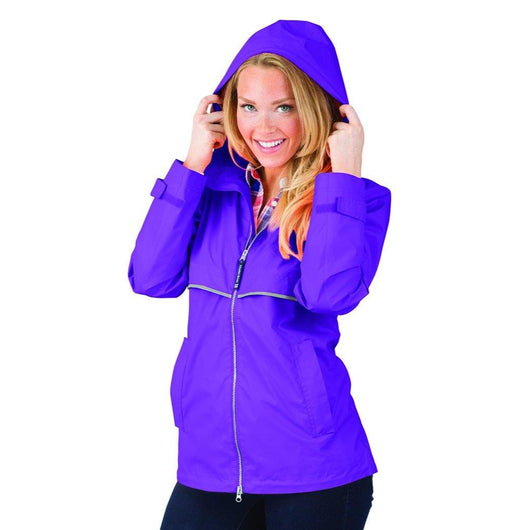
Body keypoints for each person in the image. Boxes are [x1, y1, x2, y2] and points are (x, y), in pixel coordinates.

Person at [128, 19, 392, 530]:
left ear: (316, 110)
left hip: (315, 473)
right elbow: (151, 277)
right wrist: (192, 164)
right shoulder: (209, 187)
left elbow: (330, 293)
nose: (263, 126)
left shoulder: (351, 198)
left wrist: (343, 177)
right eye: (248, 106)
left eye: (284, 107)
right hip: (209, 463)